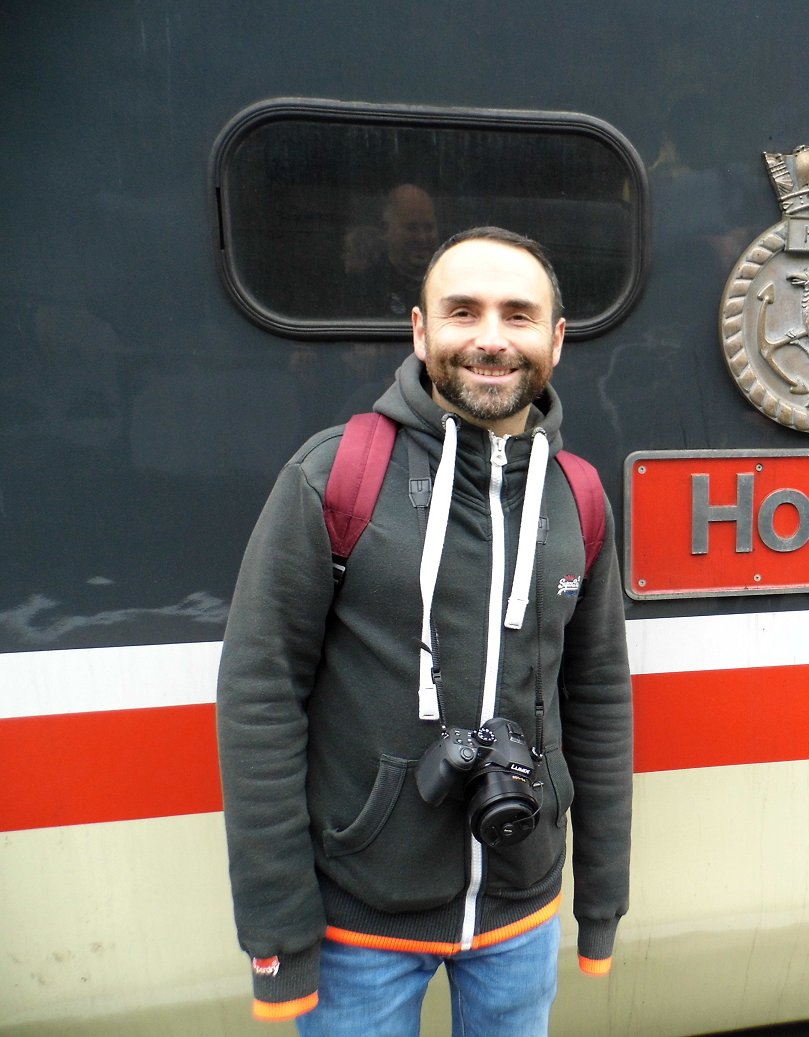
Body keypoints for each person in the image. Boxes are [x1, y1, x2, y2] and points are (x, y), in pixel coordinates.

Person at [217, 226, 633, 1036]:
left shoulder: (577, 497)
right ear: (420, 331)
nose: (488, 338)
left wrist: (603, 900)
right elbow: (259, 697)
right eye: (462, 312)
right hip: (359, 928)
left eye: (517, 315)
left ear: (554, 340)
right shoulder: (335, 475)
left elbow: (600, 699)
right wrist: (280, 938)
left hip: (521, 911)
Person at [345, 184, 441, 316]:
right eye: (412, 228)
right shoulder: (363, 290)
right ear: (386, 229)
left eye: (429, 227)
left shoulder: (450, 283)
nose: (422, 237)